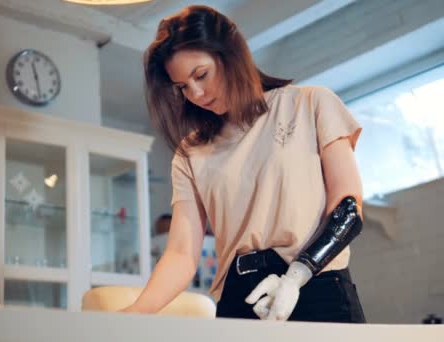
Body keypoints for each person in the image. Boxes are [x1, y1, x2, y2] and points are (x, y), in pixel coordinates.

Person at [121, 5, 366, 322]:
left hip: (315, 284)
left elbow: (348, 208)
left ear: (230, 54)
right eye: (182, 87)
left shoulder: (310, 103)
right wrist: (133, 314)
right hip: (240, 300)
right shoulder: (190, 153)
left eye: (201, 75)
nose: (195, 93)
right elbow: (181, 253)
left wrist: (297, 275)